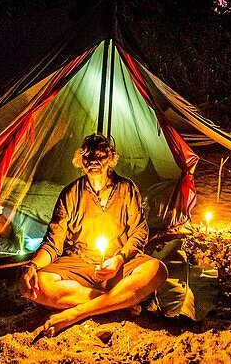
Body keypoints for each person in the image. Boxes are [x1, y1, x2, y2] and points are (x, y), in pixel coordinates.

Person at [20, 134, 168, 337]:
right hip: (80, 262)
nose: (94, 161)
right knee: (34, 287)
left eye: (101, 155)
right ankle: (119, 302)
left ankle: (76, 313)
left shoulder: (126, 189)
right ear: (81, 160)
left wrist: (118, 259)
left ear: (111, 158)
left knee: (157, 270)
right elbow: (53, 243)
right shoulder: (71, 194)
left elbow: (139, 231)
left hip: (119, 262)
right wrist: (33, 266)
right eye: (88, 156)